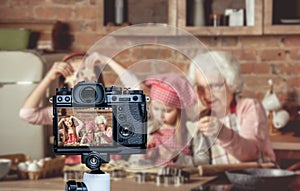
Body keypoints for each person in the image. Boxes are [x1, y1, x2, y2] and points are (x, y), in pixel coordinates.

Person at [178, 50, 276, 165]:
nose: (207, 95)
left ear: (231, 83)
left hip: (255, 180)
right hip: (218, 182)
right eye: (201, 88)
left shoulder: (249, 108)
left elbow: (251, 153)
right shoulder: (199, 118)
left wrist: (223, 133)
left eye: (214, 86)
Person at [144, 73, 198, 166]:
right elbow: (140, 162)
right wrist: (149, 155)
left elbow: (199, 163)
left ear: (179, 111)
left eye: (168, 111)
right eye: (156, 109)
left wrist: (175, 156)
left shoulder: (189, 131)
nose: (160, 115)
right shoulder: (150, 131)